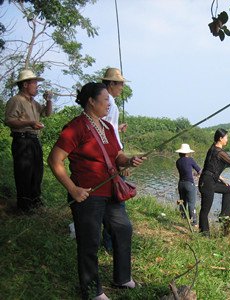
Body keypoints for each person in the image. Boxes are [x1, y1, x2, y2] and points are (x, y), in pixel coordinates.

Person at [47, 82, 144, 300]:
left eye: (109, 101)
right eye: (105, 100)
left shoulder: (108, 127)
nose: (109, 105)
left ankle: (122, 277)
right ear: (91, 101)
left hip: (111, 191)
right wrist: (73, 189)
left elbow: (116, 157)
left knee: (123, 229)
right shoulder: (76, 127)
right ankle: (92, 291)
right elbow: (54, 160)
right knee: (89, 241)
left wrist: (128, 160)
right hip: (88, 194)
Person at [4, 69, 53, 213]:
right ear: (25, 84)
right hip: (22, 141)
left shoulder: (33, 102)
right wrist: (30, 123)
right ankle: (24, 207)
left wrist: (49, 100)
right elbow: (9, 121)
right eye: (34, 83)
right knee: (24, 173)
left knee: (37, 172)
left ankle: (35, 203)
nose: (37, 86)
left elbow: (47, 113)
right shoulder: (16, 100)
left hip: (34, 140)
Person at [101, 67, 129, 253]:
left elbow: (106, 128)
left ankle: (109, 240)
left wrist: (117, 129)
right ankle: (111, 243)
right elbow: (102, 131)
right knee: (117, 199)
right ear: (111, 84)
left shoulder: (108, 101)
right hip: (112, 156)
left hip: (113, 154)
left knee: (114, 198)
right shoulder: (108, 101)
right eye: (119, 84)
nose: (122, 87)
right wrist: (118, 157)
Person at [175, 143, 201, 226]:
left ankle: (183, 218)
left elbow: (185, 171)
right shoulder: (190, 160)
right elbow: (199, 171)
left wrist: (193, 174)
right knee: (191, 203)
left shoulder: (178, 161)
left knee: (182, 202)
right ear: (187, 152)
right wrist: (198, 174)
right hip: (189, 184)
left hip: (181, 184)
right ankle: (194, 223)